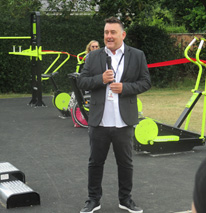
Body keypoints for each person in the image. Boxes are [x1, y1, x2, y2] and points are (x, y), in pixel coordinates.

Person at [78, 17, 151, 213]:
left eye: (113, 32)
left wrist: (125, 88)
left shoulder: (137, 55)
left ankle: (125, 200)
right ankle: (93, 200)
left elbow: (146, 82)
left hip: (123, 120)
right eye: (106, 33)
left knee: (125, 163)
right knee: (95, 162)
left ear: (122, 34)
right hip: (99, 121)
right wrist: (100, 79)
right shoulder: (93, 57)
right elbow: (82, 82)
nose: (108, 36)